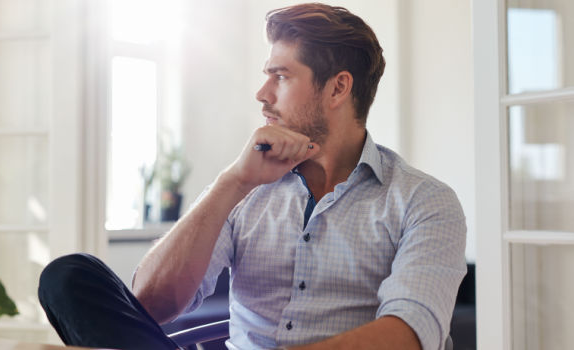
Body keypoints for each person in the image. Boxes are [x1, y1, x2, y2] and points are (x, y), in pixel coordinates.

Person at [38, 3, 466, 350]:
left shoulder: (423, 201)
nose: (262, 94)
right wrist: (233, 183)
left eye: (280, 76)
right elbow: (151, 304)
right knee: (68, 276)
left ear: (338, 89)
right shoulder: (246, 185)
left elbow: (408, 334)